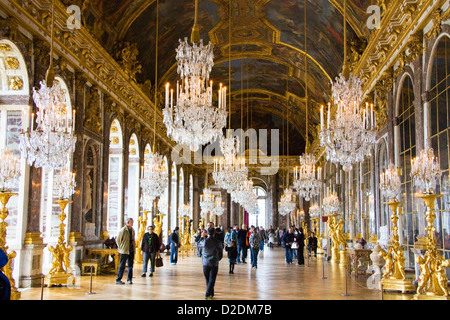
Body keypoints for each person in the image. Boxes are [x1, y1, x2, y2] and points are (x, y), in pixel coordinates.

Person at [198, 227, 223, 300]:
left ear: (207, 233)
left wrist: (201, 237)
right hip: (214, 262)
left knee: (208, 279)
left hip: (205, 262)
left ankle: (211, 293)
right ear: (214, 233)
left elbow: (198, 246)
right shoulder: (218, 242)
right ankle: (208, 294)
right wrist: (218, 259)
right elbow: (220, 252)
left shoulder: (204, 241)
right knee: (212, 279)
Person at [116, 218, 136, 284]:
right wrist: (121, 247)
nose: (132, 223)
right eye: (131, 222)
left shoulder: (132, 230)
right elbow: (118, 240)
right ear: (128, 222)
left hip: (131, 250)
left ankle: (129, 279)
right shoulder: (123, 230)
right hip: (124, 250)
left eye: (132, 221)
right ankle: (118, 279)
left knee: (130, 265)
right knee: (122, 265)